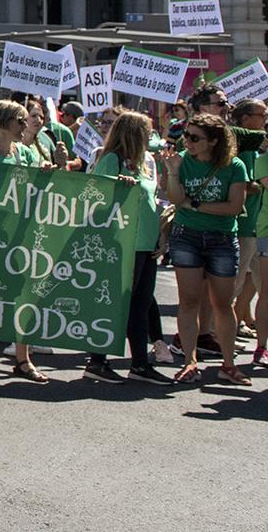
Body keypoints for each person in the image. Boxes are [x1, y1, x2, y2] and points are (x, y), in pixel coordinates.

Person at [160, 111, 251, 386]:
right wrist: (174, 173)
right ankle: (189, 361)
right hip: (187, 236)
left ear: (213, 141)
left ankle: (228, 364)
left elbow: (233, 208)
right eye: (186, 135)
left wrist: (196, 205)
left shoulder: (234, 166)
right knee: (188, 301)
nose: (186, 141)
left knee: (222, 303)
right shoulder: (183, 162)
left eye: (194, 137)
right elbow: (175, 199)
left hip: (221, 239)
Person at [0, 101, 54, 383]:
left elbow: (36, 189)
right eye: (20, 121)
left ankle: (23, 358)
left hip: (21, 235)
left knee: (21, 295)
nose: (24, 126)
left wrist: (47, 173)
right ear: (4, 123)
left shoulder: (26, 154)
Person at [86, 109, 166, 384]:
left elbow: (153, 202)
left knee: (141, 305)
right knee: (116, 304)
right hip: (122, 244)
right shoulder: (112, 159)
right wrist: (116, 186)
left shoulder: (145, 162)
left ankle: (140, 364)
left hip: (146, 244)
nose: (151, 136)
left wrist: (160, 237)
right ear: (133, 133)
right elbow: (94, 196)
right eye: (147, 131)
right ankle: (97, 360)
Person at [231, 98, 268, 364]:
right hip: (247, 225)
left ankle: (241, 322)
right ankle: (223, 334)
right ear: (245, 119)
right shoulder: (246, 150)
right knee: (235, 284)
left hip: (256, 226)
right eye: (261, 114)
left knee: (253, 285)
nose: (265, 118)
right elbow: (247, 184)